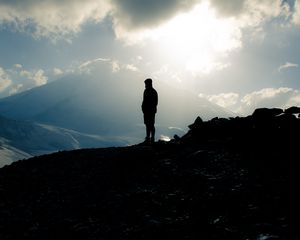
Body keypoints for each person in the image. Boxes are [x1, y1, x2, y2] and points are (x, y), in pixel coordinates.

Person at [142, 78, 158, 143]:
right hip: (146, 111)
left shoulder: (153, 92)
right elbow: (144, 101)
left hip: (150, 111)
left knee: (151, 124)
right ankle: (148, 137)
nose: (145, 85)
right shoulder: (146, 91)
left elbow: (155, 103)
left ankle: (152, 138)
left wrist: (149, 108)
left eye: (146, 84)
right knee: (147, 124)